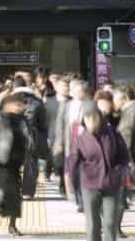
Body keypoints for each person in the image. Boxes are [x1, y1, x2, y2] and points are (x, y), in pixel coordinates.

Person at [68, 104, 129, 241]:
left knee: (110, 223)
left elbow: (124, 155)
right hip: (90, 184)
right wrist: (71, 183)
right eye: (87, 118)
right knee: (93, 224)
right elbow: (73, 160)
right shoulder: (81, 138)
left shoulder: (112, 133)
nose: (91, 121)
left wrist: (118, 170)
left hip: (111, 183)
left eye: (93, 117)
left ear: (100, 118)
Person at [0, 94, 31, 237]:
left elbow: (27, 138)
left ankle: (12, 225)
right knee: (3, 194)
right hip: (1, 162)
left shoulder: (22, 120)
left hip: (16, 163)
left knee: (15, 195)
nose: (21, 108)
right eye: (18, 105)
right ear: (8, 105)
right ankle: (5, 217)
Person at [114, 86, 135, 239]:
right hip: (131, 161)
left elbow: (127, 140)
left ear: (124, 99)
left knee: (120, 197)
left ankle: (115, 227)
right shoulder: (132, 111)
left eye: (115, 99)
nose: (113, 103)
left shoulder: (131, 113)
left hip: (127, 161)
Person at [55, 80, 92, 211]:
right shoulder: (66, 105)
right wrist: (59, 143)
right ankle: (78, 197)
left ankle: (84, 201)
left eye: (79, 91)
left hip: (86, 143)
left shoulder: (90, 105)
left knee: (84, 172)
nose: (76, 93)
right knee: (73, 172)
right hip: (71, 142)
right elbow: (60, 125)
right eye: (74, 91)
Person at [12, 75, 47, 198]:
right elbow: (43, 123)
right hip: (32, 135)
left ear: (14, 86)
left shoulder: (7, 100)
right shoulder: (37, 101)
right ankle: (27, 192)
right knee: (31, 162)